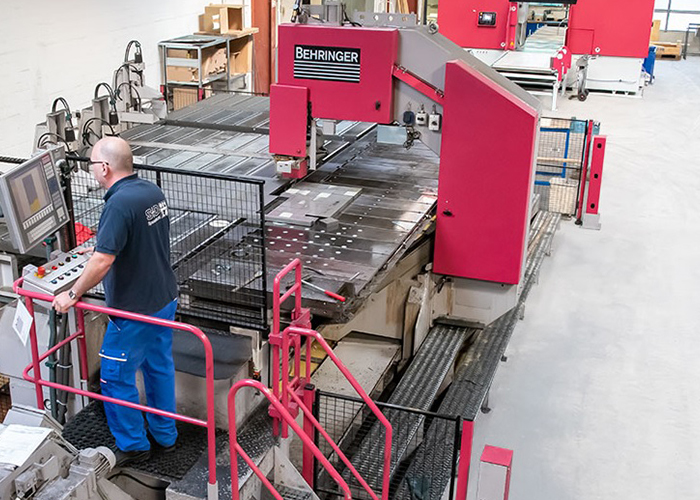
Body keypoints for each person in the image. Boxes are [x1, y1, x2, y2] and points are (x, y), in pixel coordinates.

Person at [53, 137, 179, 466]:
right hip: (164, 298)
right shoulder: (152, 192)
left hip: (134, 311)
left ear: (105, 168)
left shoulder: (119, 205)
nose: (92, 171)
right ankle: (166, 435)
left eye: (93, 164)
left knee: (114, 376)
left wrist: (71, 294)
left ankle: (134, 444)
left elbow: (101, 261)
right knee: (159, 368)